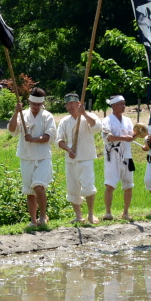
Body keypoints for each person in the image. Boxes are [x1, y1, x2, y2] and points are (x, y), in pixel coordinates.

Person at [8, 87, 57, 228]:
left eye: (38, 105)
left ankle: (43, 216)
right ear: (29, 101)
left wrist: (33, 139)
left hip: (43, 157)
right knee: (29, 190)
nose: (36, 107)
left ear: (42, 104)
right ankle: (33, 221)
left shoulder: (48, 116)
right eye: (33, 104)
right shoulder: (22, 114)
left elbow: (49, 136)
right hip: (26, 156)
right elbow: (12, 130)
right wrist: (16, 112)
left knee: (39, 186)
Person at [58, 92, 101, 225]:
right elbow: (59, 140)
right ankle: (78, 216)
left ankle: (91, 214)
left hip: (86, 157)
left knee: (88, 186)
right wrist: (68, 149)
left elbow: (97, 128)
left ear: (78, 103)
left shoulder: (89, 116)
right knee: (73, 189)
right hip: (71, 159)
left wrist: (84, 114)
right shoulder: (64, 121)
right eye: (67, 104)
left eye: (72, 103)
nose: (69, 106)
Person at [101, 95, 135, 221]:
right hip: (112, 154)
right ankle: (108, 212)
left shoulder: (127, 120)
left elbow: (131, 134)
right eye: (121, 104)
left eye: (124, 103)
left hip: (126, 154)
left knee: (128, 184)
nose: (123, 106)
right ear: (114, 106)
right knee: (110, 184)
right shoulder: (107, 120)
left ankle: (126, 212)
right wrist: (124, 138)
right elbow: (107, 136)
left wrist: (136, 134)